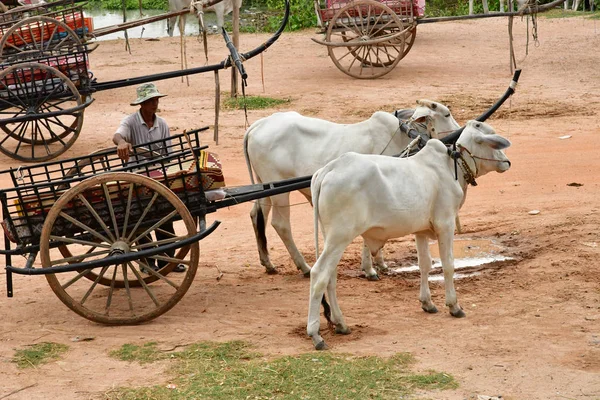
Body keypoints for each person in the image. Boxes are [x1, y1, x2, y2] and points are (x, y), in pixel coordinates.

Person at [113, 83, 186, 273]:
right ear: (142, 104)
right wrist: (121, 142)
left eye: (156, 100)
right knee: (140, 220)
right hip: (136, 178)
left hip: (158, 176)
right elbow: (118, 135)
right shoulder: (130, 122)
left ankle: (168, 260)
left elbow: (169, 154)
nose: (155, 103)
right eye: (150, 101)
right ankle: (147, 262)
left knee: (164, 216)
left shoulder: (162, 124)